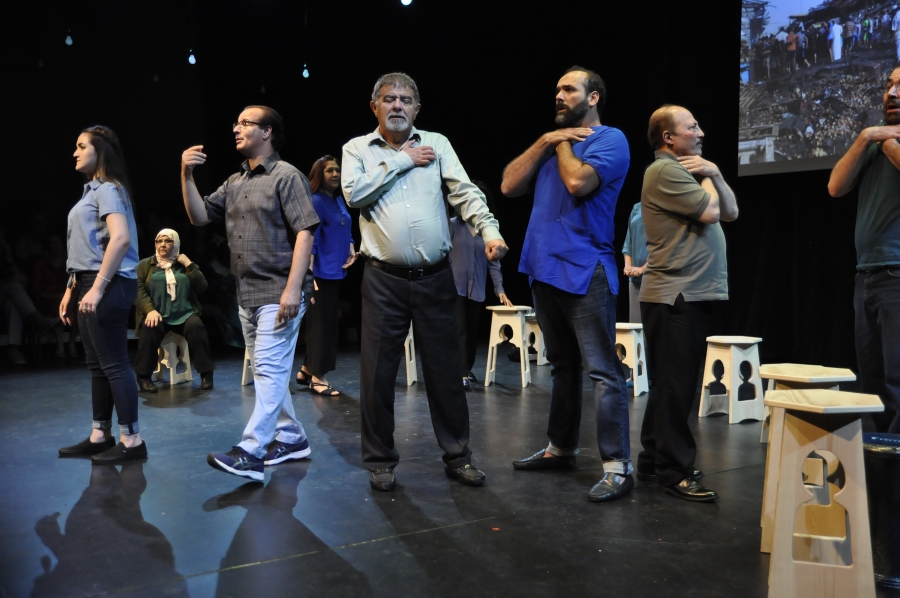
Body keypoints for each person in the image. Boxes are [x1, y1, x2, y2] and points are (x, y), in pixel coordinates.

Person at [342, 72, 508, 492]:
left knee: (445, 373)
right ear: (374, 106)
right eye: (388, 98)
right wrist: (402, 160)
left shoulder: (438, 144)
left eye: (405, 99)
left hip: (435, 277)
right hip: (383, 280)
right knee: (377, 375)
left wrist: (489, 232)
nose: (397, 105)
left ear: (417, 108)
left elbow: (464, 192)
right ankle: (380, 460)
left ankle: (458, 455)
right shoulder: (357, 148)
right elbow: (354, 194)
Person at [501, 66, 633, 503]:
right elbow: (508, 185)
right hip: (544, 268)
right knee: (562, 367)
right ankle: (561, 448)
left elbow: (578, 183)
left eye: (569, 89)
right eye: (556, 89)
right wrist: (546, 141)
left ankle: (617, 466)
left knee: (602, 370)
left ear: (593, 97)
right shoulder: (552, 145)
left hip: (585, 268)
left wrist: (562, 143)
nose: (558, 95)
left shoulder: (610, 140)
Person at [181, 105, 320, 481]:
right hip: (247, 294)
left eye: (246, 123)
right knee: (265, 373)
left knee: (271, 371)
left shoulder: (286, 176)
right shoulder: (235, 181)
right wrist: (186, 173)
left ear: (268, 132)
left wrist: (294, 290)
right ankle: (291, 438)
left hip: (278, 290)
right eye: (236, 122)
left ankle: (251, 450)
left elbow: (306, 231)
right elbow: (199, 216)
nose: (236, 128)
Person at [638, 105, 739, 502]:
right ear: (669, 138)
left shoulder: (685, 172)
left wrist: (711, 174)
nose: (700, 132)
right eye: (691, 127)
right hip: (676, 294)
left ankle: (653, 458)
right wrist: (711, 173)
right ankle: (673, 470)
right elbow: (713, 211)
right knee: (677, 388)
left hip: (687, 293)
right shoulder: (664, 170)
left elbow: (731, 211)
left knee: (669, 384)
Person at [58, 125, 146, 464]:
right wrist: (72, 287)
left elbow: (120, 239)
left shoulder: (108, 189)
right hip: (87, 281)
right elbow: (85, 247)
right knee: (97, 365)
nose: (75, 152)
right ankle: (100, 434)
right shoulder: (90, 191)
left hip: (107, 282)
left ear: (101, 151)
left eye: (82, 146)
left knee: (114, 364)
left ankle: (133, 440)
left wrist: (96, 287)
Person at [827, 66, 900, 433]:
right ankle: (883, 471)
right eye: (889, 85)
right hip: (868, 276)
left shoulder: (887, 143)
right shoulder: (873, 140)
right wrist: (867, 136)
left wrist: (885, 140)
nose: (893, 93)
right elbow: (836, 187)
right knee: (872, 383)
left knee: (897, 382)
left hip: (897, 275)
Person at [295, 155, 359, 396]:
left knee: (327, 323)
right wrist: (309, 275)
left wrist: (351, 246)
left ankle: (305, 369)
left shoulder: (338, 200)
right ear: (319, 175)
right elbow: (310, 238)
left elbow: (345, 226)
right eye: (329, 170)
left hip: (336, 272)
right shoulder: (316, 201)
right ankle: (317, 377)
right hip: (320, 273)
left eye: (337, 170)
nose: (335, 174)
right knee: (321, 326)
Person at [133, 228, 215, 393]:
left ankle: (206, 374)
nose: (163, 245)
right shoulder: (145, 265)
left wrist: (190, 266)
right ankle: (143, 377)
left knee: (196, 327)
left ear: (176, 243)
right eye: (159, 241)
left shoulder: (184, 264)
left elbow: (202, 287)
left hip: (184, 314)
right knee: (149, 329)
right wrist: (149, 310)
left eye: (168, 241)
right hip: (158, 315)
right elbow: (137, 290)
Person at [449, 181, 513, 390]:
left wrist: (500, 290)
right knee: (459, 331)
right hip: (454, 288)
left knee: (472, 331)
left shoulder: (489, 233)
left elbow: (494, 264)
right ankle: (459, 372)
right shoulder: (452, 225)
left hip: (476, 289)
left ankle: (466, 369)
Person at [622, 202, 648, 323]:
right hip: (635, 280)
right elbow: (629, 240)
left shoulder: (664, 206)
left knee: (652, 330)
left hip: (655, 278)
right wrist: (628, 266)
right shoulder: (637, 207)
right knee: (636, 328)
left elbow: (665, 246)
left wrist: (643, 269)